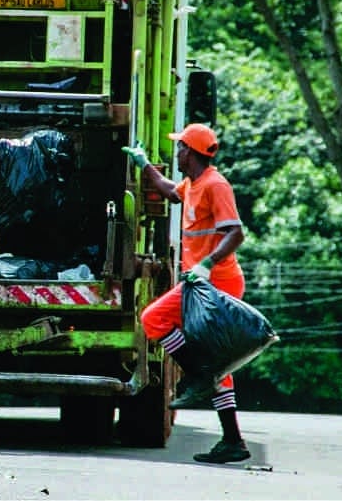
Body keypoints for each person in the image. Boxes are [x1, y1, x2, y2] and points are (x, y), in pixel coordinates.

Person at [123, 123, 250, 464]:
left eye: (179, 148)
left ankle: (197, 377)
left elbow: (236, 233)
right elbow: (169, 191)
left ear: (190, 153)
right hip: (201, 283)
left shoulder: (216, 185)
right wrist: (143, 163)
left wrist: (206, 264)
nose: (176, 152)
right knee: (218, 366)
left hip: (215, 283)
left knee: (153, 317)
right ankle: (232, 439)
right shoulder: (193, 184)